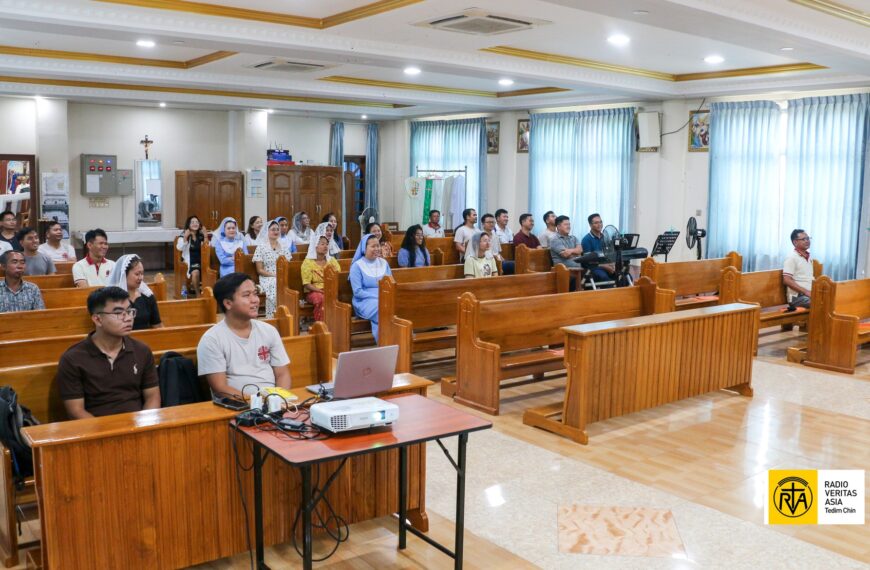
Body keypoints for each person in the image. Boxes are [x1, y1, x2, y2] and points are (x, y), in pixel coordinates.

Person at [55, 286, 160, 419]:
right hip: (96, 427)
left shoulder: (142, 350)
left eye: (129, 311)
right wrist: (105, 430)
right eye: (119, 313)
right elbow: (75, 411)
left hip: (136, 424)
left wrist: (145, 423)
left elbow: (152, 396)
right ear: (97, 319)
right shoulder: (73, 358)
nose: (128, 318)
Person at [196, 272, 291, 397]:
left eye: (255, 293)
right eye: (246, 295)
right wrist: (256, 403)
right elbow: (220, 388)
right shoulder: (212, 339)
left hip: (273, 401)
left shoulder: (269, 331)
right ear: (228, 303)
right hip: (236, 404)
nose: (255, 300)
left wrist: (278, 399)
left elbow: (282, 374)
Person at [349, 234, 392, 341]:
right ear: (364, 248)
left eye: (378, 245)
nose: (377, 249)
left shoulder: (384, 263)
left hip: (384, 298)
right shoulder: (357, 266)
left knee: (394, 305)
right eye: (373, 246)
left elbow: (391, 284)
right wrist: (378, 296)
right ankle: (387, 341)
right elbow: (357, 292)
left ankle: (395, 340)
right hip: (364, 301)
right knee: (383, 307)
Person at [107, 254, 162, 330]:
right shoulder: (113, 298)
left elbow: (157, 325)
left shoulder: (147, 296)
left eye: (142, 274)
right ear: (124, 274)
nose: (141, 278)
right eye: (137, 274)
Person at [252, 218, 293, 318]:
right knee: (275, 282)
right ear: (267, 231)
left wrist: (281, 275)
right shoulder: (261, 247)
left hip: (282, 276)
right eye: (273, 229)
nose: (276, 231)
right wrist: (274, 275)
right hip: (267, 277)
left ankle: (285, 314)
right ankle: (274, 315)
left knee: (284, 283)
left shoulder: (284, 247)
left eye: (277, 229)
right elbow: (259, 270)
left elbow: (288, 265)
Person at [301, 224, 340, 322]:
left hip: (330, 289)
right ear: (315, 246)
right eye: (322, 244)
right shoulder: (308, 262)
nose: (325, 246)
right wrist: (320, 290)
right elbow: (306, 284)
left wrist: (329, 289)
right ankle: (321, 324)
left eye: (327, 244)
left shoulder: (332, 261)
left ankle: (333, 323)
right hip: (313, 291)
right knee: (321, 298)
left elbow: (338, 276)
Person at [176, 216, 207, 297]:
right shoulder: (183, 235)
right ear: (188, 225)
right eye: (192, 222)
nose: (195, 224)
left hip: (202, 261)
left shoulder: (201, 235)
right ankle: (198, 294)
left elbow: (207, 248)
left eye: (197, 222)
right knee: (195, 272)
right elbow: (179, 248)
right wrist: (185, 237)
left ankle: (207, 293)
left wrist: (205, 236)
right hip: (190, 261)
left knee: (210, 272)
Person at [783, 229, 814, 309]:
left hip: (810, 294)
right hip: (797, 297)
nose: (807, 241)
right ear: (795, 242)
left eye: (808, 238)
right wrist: (806, 292)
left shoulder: (808, 257)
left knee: (833, 299)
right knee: (820, 303)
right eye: (803, 239)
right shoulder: (791, 258)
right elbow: (786, 280)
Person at [580, 213, 615, 282]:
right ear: (590, 225)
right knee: (604, 277)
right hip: (594, 268)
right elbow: (588, 261)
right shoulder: (586, 240)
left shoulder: (605, 237)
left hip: (607, 266)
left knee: (624, 276)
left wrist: (613, 264)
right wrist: (605, 266)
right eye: (596, 223)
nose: (599, 224)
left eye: (600, 222)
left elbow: (610, 254)